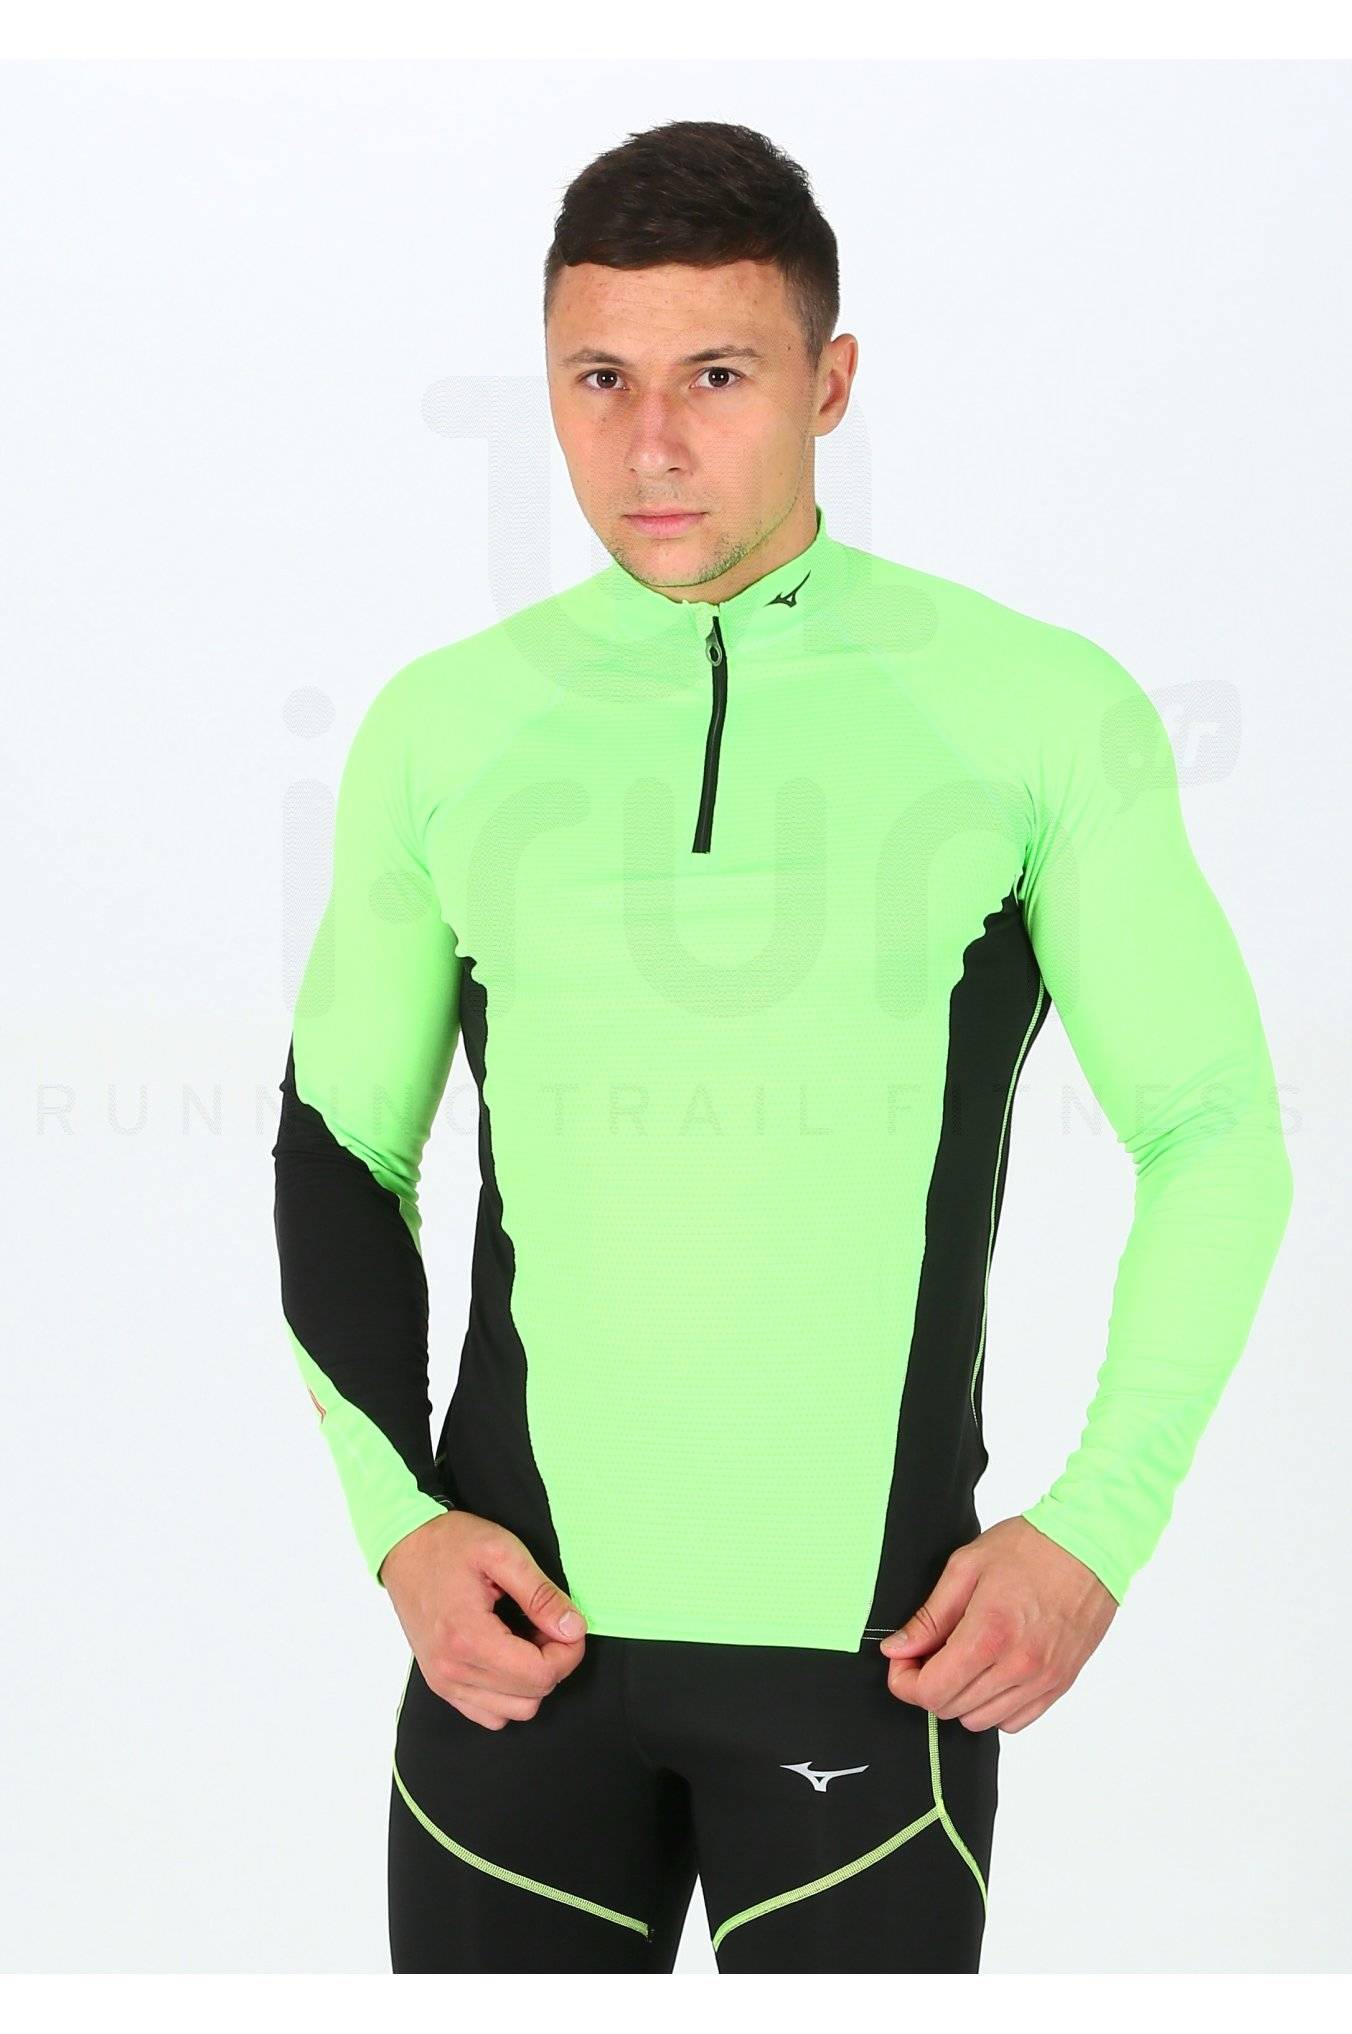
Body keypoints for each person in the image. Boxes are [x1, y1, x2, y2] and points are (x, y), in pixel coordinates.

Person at [270, 119, 1293, 1975]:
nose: (652, 443)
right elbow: (341, 1147)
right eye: (600, 378)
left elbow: (1215, 1127)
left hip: (875, 1659)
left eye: (719, 376)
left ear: (830, 383)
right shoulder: (444, 729)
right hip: (515, 1651)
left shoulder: (1032, 711)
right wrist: (396, 1523)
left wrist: (1097, 1527)